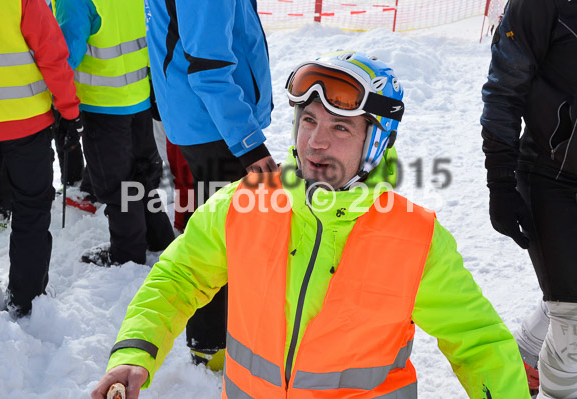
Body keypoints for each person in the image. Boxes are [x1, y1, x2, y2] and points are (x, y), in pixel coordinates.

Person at [91, 52, 530, 398]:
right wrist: (135, 353)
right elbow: (178, 277)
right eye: (309, 120)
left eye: (341, 127)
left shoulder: (415, 241)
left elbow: (479, 344)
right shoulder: (246, 202)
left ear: (375, 142)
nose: (316, 142)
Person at [144, 0, 278, 368]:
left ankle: (212, 341)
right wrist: (250, 144)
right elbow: (208, 68)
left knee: (222, 230)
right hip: (214, 123)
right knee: (234, 237)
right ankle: (215, 342)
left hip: (203, 118)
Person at [481, 0, 577, 396]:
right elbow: (504, 91)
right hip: (549, 175)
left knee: (567, 299)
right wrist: (500, 180)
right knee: (572, 318)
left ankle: (523, 359)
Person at [0, 0, 81, 317]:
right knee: (31, 211)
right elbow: (51, 54)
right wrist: (69, 110)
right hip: (27, 123)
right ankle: (27, 297)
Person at [55, 0, 175, 266]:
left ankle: (127, 253)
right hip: (138, 95)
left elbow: (66, 56)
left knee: (116, 183)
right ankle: (159, 236)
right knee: (142, 173)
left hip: (102, 104)